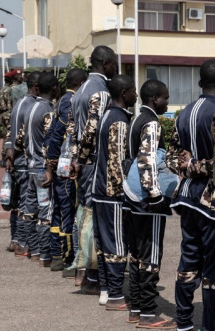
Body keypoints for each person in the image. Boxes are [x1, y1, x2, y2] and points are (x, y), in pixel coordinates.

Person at [166, 60, 215, 331]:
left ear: (199, 84)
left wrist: (188, 165)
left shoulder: (184, 113)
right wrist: (198, 165)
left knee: (189, 261)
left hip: (187, 198)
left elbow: (171, 158)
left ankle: (183, 325)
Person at [123, 79, 175, 329]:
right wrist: (156, 196)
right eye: (165, 97)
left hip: (131, 197)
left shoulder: (136, 119)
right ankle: (148, 312)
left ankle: (135, 308)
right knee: (151, 254)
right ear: (155, 99)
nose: (167, 101)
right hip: (147, 200)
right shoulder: (152, 123)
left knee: (135, 254)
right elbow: (146, 161)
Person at [68, 45, 118, 299]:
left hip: (84, 163)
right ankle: (93, 275)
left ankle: (85, 272)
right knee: (95, 218)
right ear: (106, 64)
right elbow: (93, 130)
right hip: (96, 163)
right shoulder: (100, 91)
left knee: (84, 215)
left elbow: (72, 129)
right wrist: (86, 158)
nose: (118, 67)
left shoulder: (80, 91)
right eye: (115, 63)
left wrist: (76, 159)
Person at [85, 74, 137, 311]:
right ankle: (116, 294)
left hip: (100, 192)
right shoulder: (118, 120)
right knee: (116, 245)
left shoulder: (107, 114)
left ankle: (106, 289)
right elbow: (117, 162)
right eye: (133, 91)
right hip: (111, 193)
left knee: (105, 244)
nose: (136, 95)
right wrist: (124, 195)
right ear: (124, 93)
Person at [43, 68, 87, 274]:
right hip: (66, 166)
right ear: (81, 83)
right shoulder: (71, 102)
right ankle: (67, 260)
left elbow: (49, 133)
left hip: (59, 165)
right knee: (68, 212)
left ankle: (55, 255)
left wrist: (49, 163)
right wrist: (52, 161)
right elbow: (56, 134)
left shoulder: (61, 101)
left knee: (59, 212)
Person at [16, 72, 58, 266]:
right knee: (44, 214)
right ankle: (44, 255)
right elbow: (50, 142)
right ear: (55, 88)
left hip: (30, 167)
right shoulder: (48, 111)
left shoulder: (29, 109)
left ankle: (32, 250)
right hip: (43, 170)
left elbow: (19, 139)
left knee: (29, 211)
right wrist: (51, 166)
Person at [6, 71, 41, 256]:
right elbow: (21, 136)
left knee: (18, 203)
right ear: (36, 87)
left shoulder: (19, 103)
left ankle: (15, 239)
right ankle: (21, 242)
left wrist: (9, 154)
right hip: (24, 160)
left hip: (17, 159)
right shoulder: (31, 105)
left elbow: (10, 132)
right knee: (25, 203)